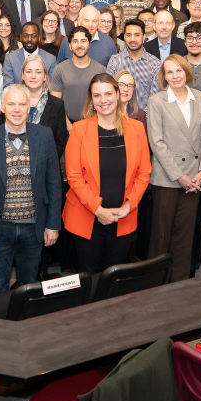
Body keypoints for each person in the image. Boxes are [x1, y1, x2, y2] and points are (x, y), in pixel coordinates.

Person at [0, 85, 61, 297]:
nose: (17, 109)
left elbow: (54, 183)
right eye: (11, 104)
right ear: (2, 107)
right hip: (0, 229)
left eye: (22, 104)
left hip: (34, 228)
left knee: (29, 287)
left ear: (29, 107)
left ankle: (26, 328)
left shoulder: (45, 135)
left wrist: (53, 225)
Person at [60, 74, 150, 274]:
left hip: (123, 217)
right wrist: (98, 210)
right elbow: (74, 176)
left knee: (114, 277)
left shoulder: (136, 128)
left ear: (118, 94)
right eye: (97, 95)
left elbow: (143, 173)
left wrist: (129, 206)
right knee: (89, 276)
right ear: (91, 99)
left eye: (108, 93)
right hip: (86, 216)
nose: (103, 100)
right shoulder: (79, 129)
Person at [147, 55, 201, 282]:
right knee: (161, 236)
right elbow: (157, 143)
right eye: (169, 72)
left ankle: (180, 284)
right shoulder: (157, 101)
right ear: (164, 77)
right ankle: (155, 284)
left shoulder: (200, 98)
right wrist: (179, 176)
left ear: (187, 72)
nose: (175, 76)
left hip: (194, 179)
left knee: (185, 235)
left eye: (179, 71)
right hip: (167, 178)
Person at [51, 28, 106, 126]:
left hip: (93, 125)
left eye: (83, 41)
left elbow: (103, 102)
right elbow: (55, 104)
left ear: (89, 44)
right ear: (70, 46)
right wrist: (68, 126)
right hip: (65, 126)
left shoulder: (101, 70)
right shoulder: (59, 69)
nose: (79, 45)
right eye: (75, 41)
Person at [105, 18, 161, 112]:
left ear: (144, 37)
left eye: (137, 35)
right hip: (118, 116)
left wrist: (141, 117)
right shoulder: (115, 61)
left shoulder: (155, 64)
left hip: (144, 119)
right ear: (124, 37)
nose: (132, 39)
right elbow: (108, 91)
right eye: (128, 35)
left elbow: (154, 99)